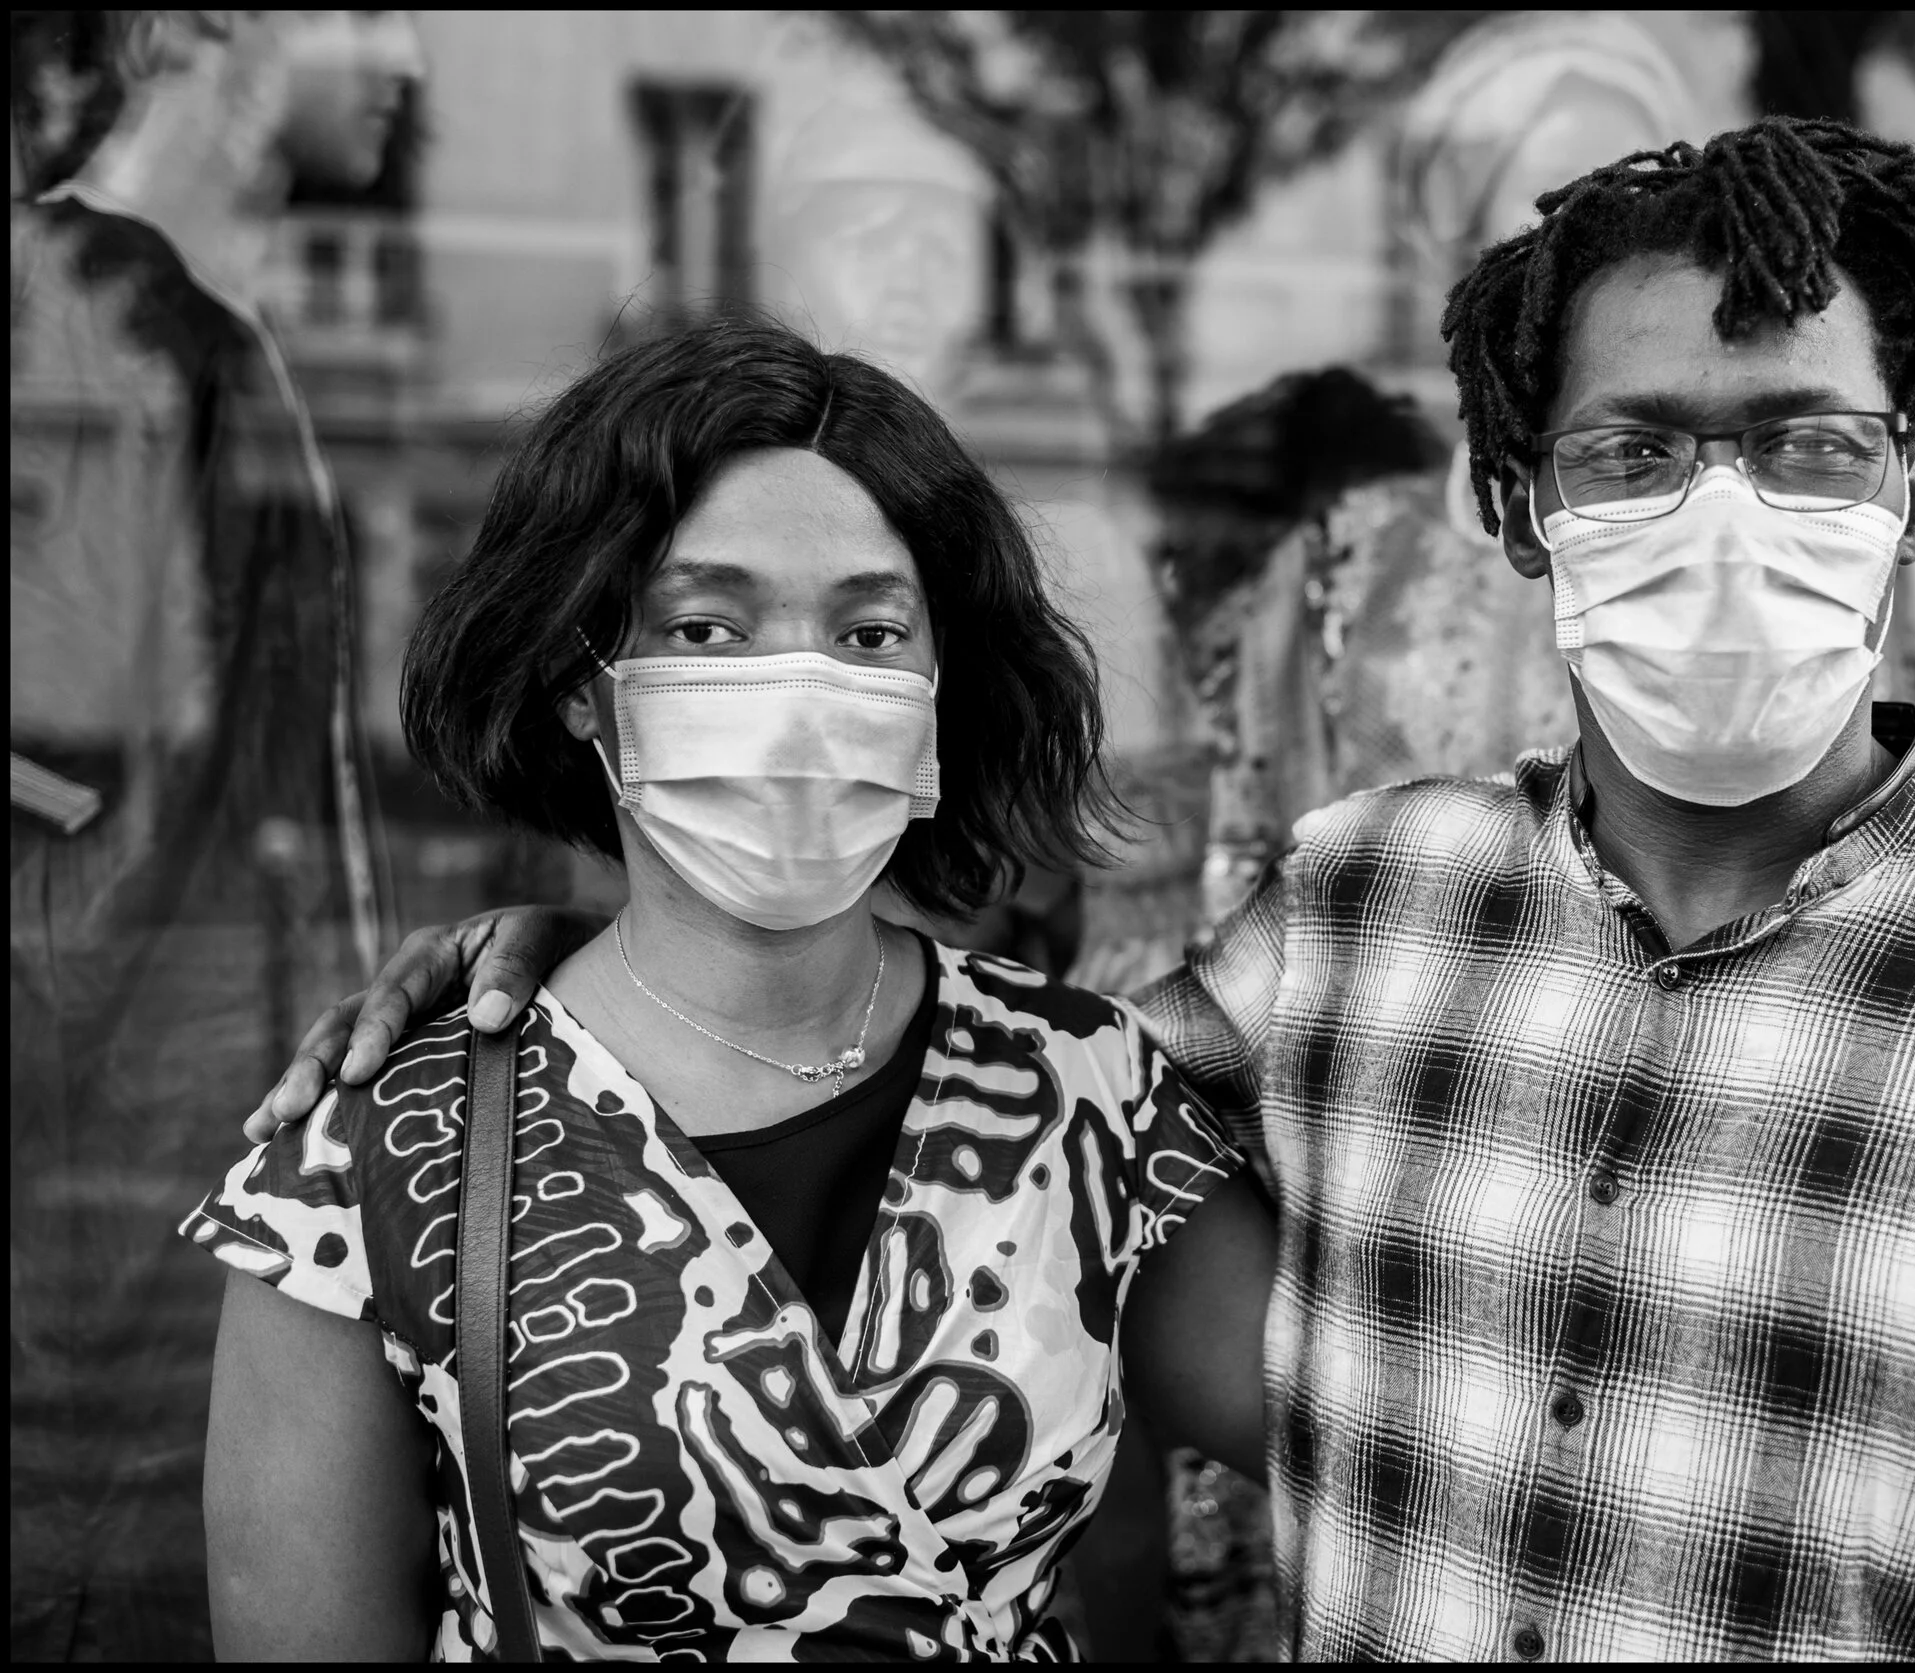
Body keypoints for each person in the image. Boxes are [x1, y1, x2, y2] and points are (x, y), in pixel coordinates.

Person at [258, 118, 1915, 1660]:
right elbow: (894, 1064)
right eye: (1632, 456)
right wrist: (579, 955)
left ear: (1909, 489)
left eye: (1806, 446)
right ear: (1518, 512)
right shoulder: (1355, 910)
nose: (1726, 521)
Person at [190, 317, 1270, 1659]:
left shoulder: (1088, 1085)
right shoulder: (377, 1146)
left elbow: (1409, 1443)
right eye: (707, 623)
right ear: (587, 686)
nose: (800, 688)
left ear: (939, 688)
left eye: (871, 631)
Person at [8, 11, 418, 1656]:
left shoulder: (150, 312)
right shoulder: (94, 311)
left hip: (164, 1116)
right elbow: (77, 745)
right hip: (126, 1151)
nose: (394, 51)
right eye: (350, 13)